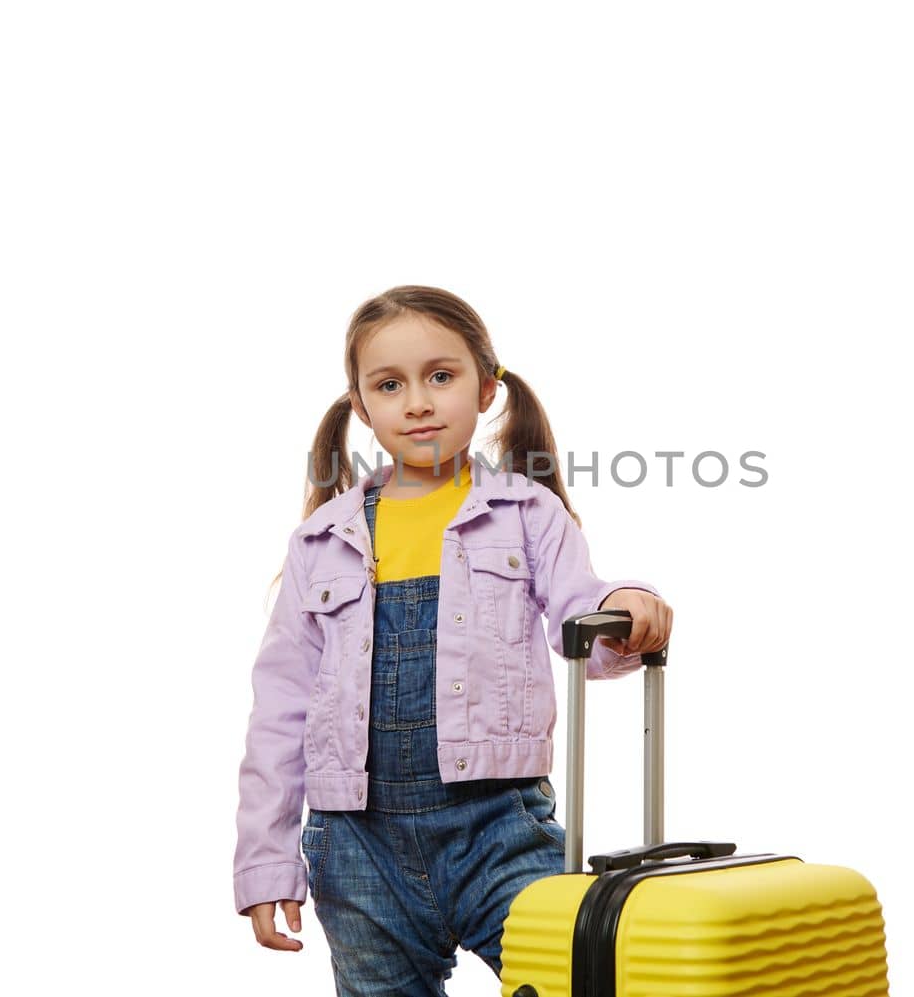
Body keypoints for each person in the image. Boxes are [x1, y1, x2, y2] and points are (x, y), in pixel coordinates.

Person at [234, 285, 673, 995]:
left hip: (499, 824)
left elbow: (581, 615)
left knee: (570, 977)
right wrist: (265, 860)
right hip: (357, 842)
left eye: (441, 376)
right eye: (389, 384)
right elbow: (280, 709)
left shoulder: (528, 514)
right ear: (360, 404)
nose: (417, 401)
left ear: (488, 387)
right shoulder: (323, 540)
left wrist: (623, 604)